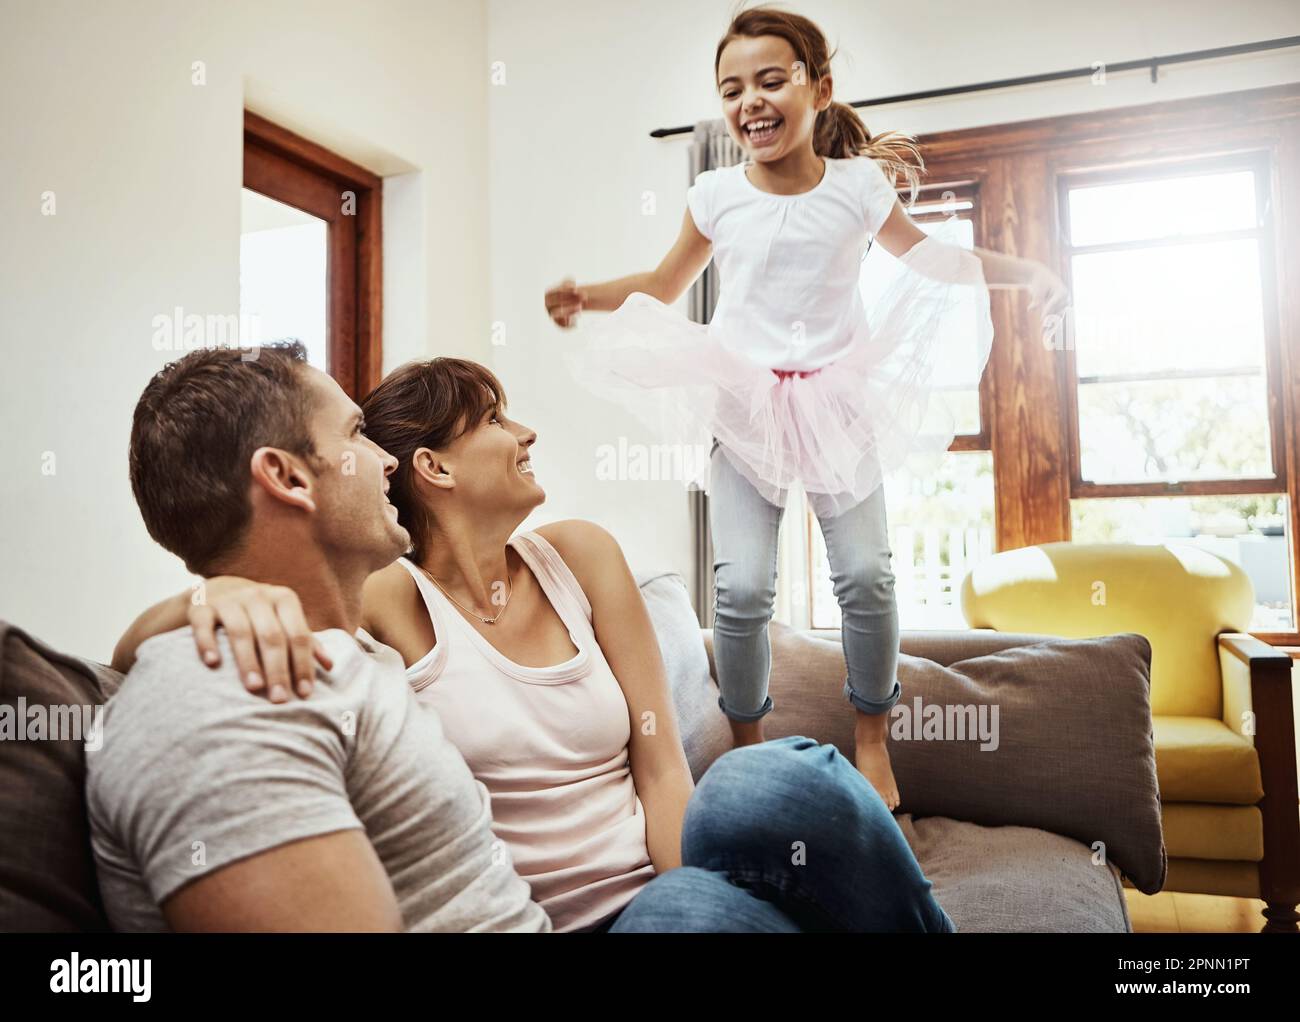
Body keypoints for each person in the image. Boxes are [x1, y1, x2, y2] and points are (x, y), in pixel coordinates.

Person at [110, 348, 956, 933]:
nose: (526, 434)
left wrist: (690, 887)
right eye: (355, 441)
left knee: (767, 778)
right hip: (583, 917)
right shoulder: (375, 611)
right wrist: (206, 596)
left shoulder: (574, 557)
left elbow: (661, 762)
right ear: (433, 469)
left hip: (666, 886)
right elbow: (143, 656)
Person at [543, 4, 1069, 810]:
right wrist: (592, 294)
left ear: (819, 88)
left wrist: (1024, 273)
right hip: (747, 401)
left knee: (866, 574)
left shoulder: (858, 186)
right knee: (741, 589)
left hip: (835, 400)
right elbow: (663, 285)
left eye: (770, 80)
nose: (749, 100)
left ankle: (871, 742)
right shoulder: (716, 193)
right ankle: (748, 744)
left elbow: (933, 259)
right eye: (731, 88)